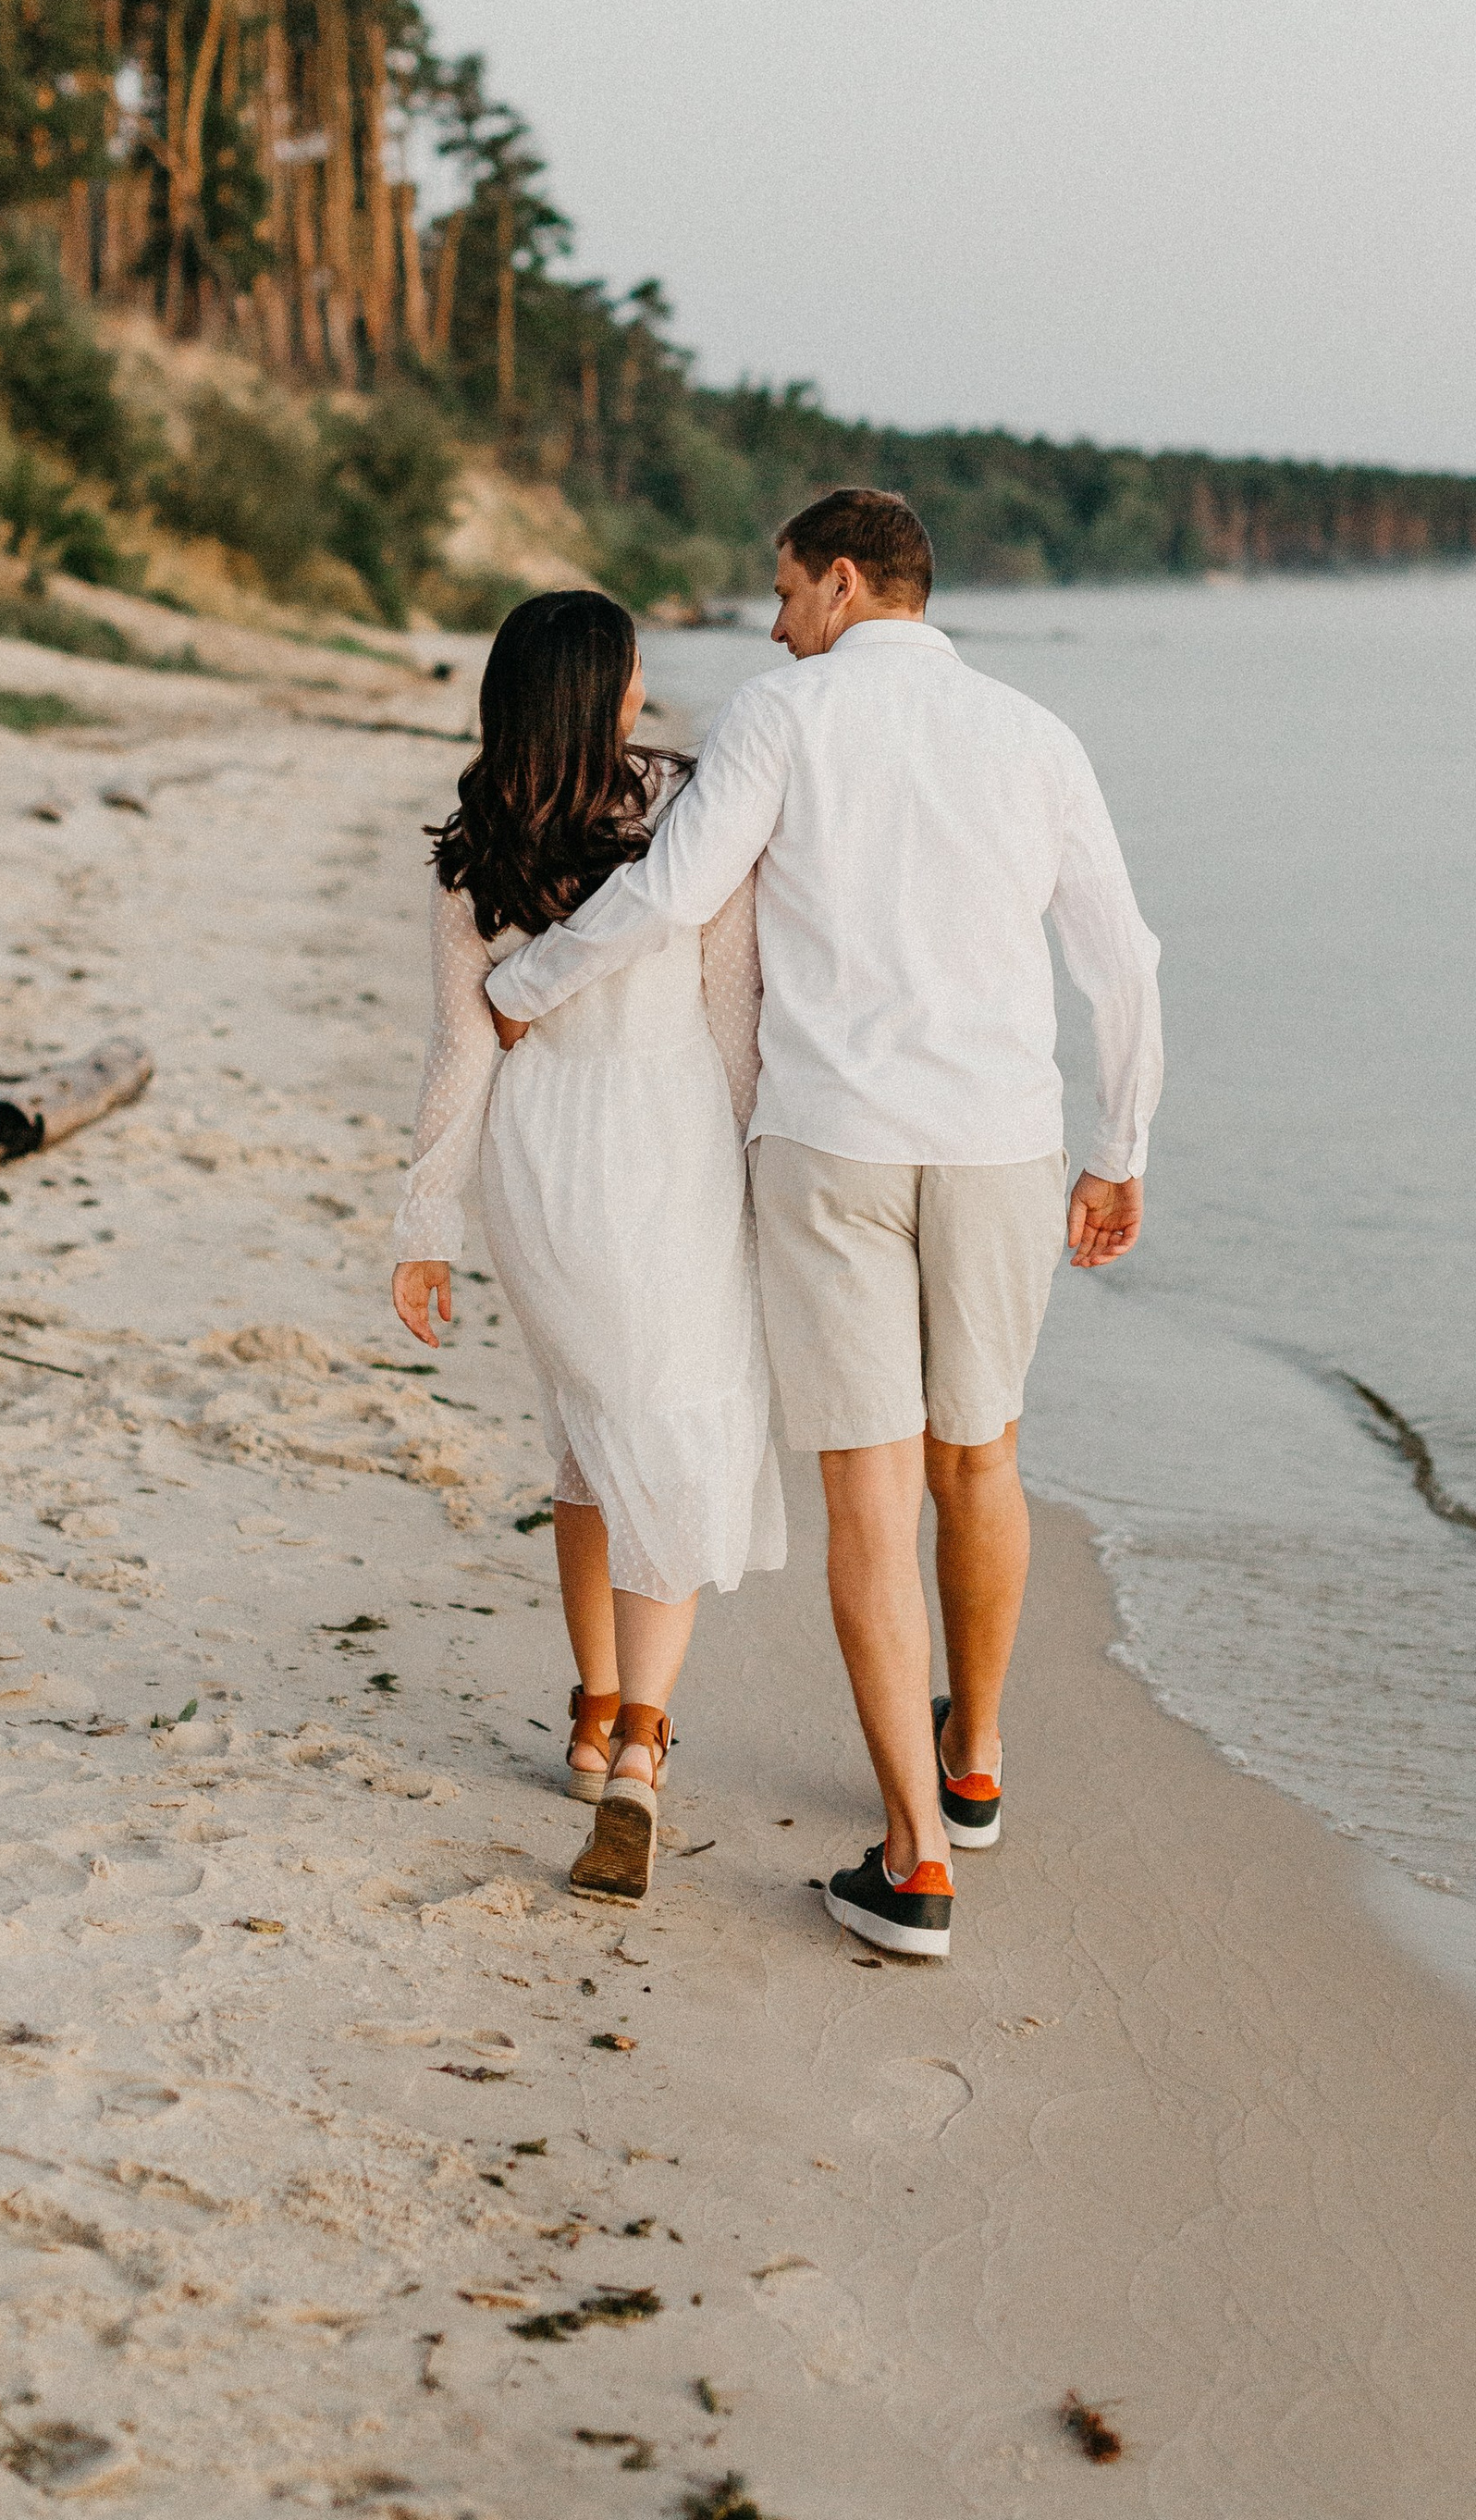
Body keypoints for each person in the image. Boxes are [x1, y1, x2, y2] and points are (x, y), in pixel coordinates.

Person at [487, 488, 1161, 1960]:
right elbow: (1123, 961)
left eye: (786, 590)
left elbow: (672, 892)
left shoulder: (782, 719)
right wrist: (1121, 1149)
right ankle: (971, 1760)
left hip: (831, 1142)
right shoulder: (1036, 735)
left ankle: (916, 1860)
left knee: (871, 1497)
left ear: (846, 583)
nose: (776, 619)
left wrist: (524, 989)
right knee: (979, 1453)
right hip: (998, 1142)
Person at [389, 589, 782, 1910]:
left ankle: (595, 1715)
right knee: (665, 1433)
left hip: (538, 1171)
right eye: (629, 673)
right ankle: (639, 1764)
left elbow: (462, 1050)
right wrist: (754, 1168)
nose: (642, 690)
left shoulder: (474, 849)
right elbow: (733, 1014)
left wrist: (426, 1228)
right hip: (665, 1151)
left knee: (584, 1439)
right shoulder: (684, 811)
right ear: (603, 692)